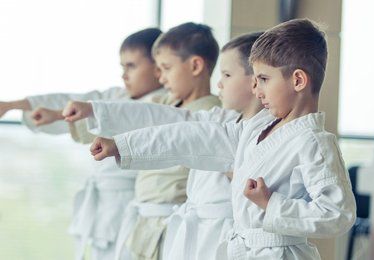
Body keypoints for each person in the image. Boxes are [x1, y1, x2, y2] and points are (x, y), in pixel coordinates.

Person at [87, 19, 357, 259]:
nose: (256, 88)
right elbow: (193, 137)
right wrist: (122, 145)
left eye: (263, 78)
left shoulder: (314, 142)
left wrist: (271, 204)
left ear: (298, 80)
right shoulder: (256, 127)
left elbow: (337, 214)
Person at [63, 32, 264, 260]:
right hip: (197, 234)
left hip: (225, 239)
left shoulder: (266, 135)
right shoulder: (220, 119)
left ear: (256, 80)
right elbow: (165, 120)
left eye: (227, 75)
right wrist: (99, 115)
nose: (219, 83)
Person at [0, 28, 165, 260]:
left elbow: (113, 116)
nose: (124, 75)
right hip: (104, 208)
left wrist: (58, 114)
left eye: (132, 66)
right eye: (122, 67)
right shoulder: (117, 95)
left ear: (159, 67)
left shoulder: (163, 105)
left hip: (132, 205)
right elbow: (76, 101)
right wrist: (14, 105)